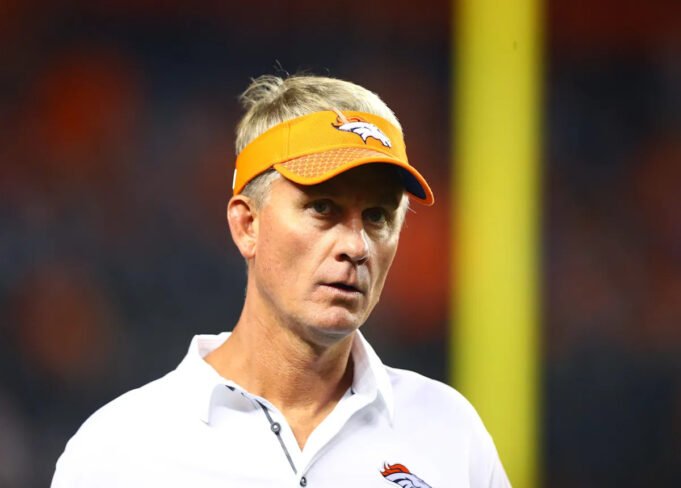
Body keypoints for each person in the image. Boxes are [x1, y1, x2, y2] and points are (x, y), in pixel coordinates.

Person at [52, 74, 510, 487]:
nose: (356, 246)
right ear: (247, 224)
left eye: (377, 216)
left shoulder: (450, 435)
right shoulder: (119, 451)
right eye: (322, 208)